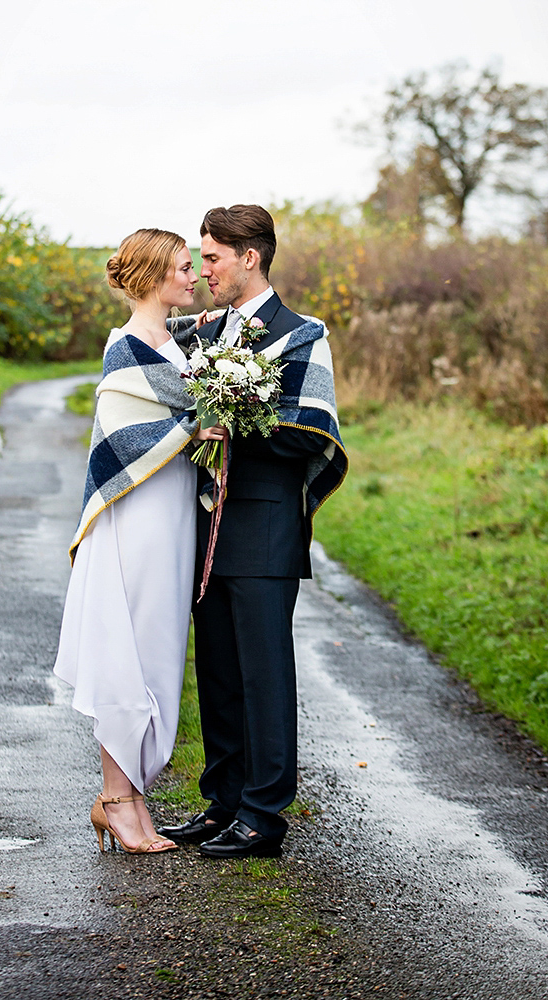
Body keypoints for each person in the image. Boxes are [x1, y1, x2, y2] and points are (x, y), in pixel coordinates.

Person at [159, 204, 348, 859]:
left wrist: (242, 412)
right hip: (208, 525)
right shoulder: (206, 333)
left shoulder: (301, 333)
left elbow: (313, 428)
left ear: (250, 257)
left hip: (264, 527)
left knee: (264, 675)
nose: (204, 268)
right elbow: (150, 344)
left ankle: (264, 816)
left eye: (211, 257)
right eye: (201, 258)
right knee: (216, 669)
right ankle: (224, 803)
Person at [54, 228, 224, 856]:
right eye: (184, 267)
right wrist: (200, 423)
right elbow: (134, 434)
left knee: (158, 650)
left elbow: (190, 381)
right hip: (137, 517)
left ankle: (127, 800)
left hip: (173, 516)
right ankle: (118, 800)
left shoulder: (174, 343)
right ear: (155, 278)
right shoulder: (124, 348)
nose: (194, 276)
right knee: (129, 646)